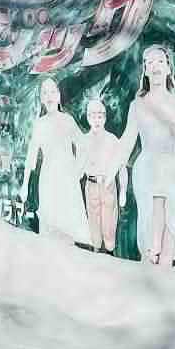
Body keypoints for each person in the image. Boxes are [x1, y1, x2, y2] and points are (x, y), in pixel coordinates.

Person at [112, 44, 175, 268]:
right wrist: (113, 167)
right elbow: (128, 139)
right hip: (148, 168)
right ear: (145, 71)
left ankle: (166, 268)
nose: (155, 66)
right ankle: (151, 262)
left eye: (160, 61)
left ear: (168, 68)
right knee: (150, 221)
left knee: (173, 221)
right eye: (149, 63)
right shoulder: (137, 105)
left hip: (174, 165)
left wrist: (161, 112)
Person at [19, 77, 90, 244]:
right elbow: (31, 155)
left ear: (58, 96)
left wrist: (78, 171)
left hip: (67, 179)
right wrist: (25, 186)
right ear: (41, 98)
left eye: (52, 92)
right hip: (48, 180)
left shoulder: (68, 120)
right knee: (49, 230)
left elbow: (83, 146)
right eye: (44, 93)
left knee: (68, 230)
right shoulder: (39, 124)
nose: (49, 96)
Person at [78, 95, 127, 254]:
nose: (96, 120)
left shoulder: (112, 140)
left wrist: (123, 192)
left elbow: (122, 167)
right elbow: (79, 167)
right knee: (93, 225)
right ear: (88, 118)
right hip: (91, 186)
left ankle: (110, 253)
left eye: (100, 116)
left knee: (109, 225)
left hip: (107, 186)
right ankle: (96, 253)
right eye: (93, 116)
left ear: (105, 118)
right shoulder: (83, 141)